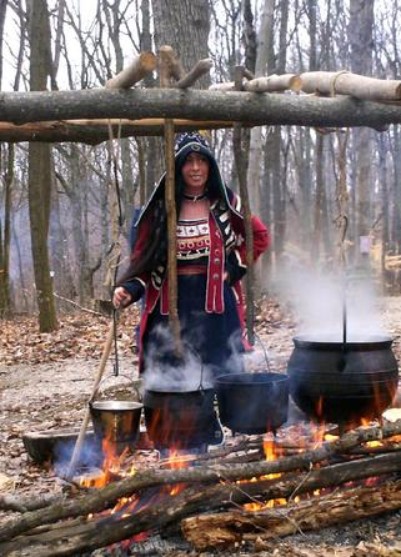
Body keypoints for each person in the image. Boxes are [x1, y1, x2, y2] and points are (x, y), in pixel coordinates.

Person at [113, 132, 269, 449]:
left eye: (202, 161)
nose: (195, 168)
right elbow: (144, 261)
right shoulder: (161, 208)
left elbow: (259, 236)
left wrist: (235, 267)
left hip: (215, 306)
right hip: (172, 306)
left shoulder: (226, 203)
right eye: (188, 162)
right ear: (178, 167)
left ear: (210, 166)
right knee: (172, 377)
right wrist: (129, 289)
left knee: (218, 371)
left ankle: (217, 440)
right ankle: (175, 444)